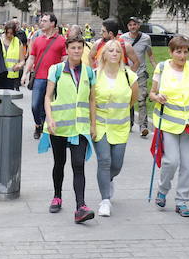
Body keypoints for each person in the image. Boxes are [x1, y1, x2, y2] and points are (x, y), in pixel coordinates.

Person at [149, 35, 189, 217]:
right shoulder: (162, 68)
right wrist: (157, 97)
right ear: (171, 52)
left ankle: (182, 201)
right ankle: (162, 189)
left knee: (187, 165)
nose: (182, 56)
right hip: (169, 123)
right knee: (171, 161)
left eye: (185, 52)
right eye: (178, 51)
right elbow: (152, 93)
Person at [40, 36, 96, 223]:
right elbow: (47, 97)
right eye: (73, 48)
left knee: (78, 164)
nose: (77, 51)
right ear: (67, 49)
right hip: (59, 125)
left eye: (80, 48)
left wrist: (93, 124)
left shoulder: (89, 72)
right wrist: (50, 118)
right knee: (59, 163)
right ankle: (57, 196)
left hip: (79, 127)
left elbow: (92, 100)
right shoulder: (56, 70)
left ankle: (81, 206)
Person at [91, 39, 138, 217]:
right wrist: (92, 124)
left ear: (121, 56)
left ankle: (109, 179)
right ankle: (105, 200)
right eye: (110, 51)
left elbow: (133, 99)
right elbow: (91, 101)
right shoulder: (95, 75)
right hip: (100, 125)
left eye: (117, 51)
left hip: (120, 126)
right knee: (104, 161)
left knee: (116, 165)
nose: (114, 54)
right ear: (103, 54)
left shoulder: (129, 76)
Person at [21, 13, 67, 139]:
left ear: (52, 23)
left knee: (52, 105)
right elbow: (31, 58)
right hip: (39, 77)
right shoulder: (37, 40)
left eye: (45, 21)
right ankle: (38, 124)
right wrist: (25, 74)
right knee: (35, 105)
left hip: (55, 79)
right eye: (41, 21)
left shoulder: (62, 40)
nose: (41, 23)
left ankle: (48, 127)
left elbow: (65, 60)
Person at [121, 17, 157, 137]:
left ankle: (143, 127)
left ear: (138, 26)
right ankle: (129, 123)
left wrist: (156, 67)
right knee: (128, 99)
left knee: (141, 100)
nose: (132, 27)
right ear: (128, 27)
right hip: (127, 73)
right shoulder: (122, 38)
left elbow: (150, 55)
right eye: (130, 25)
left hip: (141, 73)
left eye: (134, 24)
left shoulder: (146, 38)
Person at [0, 20, 26, 92]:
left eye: (11, 33)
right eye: (7, 32)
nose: (9, 35)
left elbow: (22, 60)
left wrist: (19, 65)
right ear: (4, 30)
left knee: (6, 101)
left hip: (10, 76)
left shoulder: (18, 42)